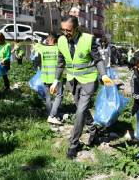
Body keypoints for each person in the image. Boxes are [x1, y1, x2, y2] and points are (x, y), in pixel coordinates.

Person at [49, 15, 114, 159]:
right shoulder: (61, 41)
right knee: (82, 110)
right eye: (63, 30)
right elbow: (61, 63)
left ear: (76, 28)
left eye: (69, 30)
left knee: (79, 112)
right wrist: (55, 81)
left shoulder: (88, 39)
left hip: (89, 81)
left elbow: (98, 60)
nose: (65, 33)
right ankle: (93, 130)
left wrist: (103, 75)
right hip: (72, 81)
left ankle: (73, 144)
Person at [34, 33, 64, 125]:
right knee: (59, 95)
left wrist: (40, 42)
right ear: (55, 40)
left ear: (48, 40)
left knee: (48, 97)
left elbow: (36, 47)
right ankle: (52, 115)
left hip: (45, 76)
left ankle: (50, 114)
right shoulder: (58, 48)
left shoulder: (42, 48)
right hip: (56, 77)